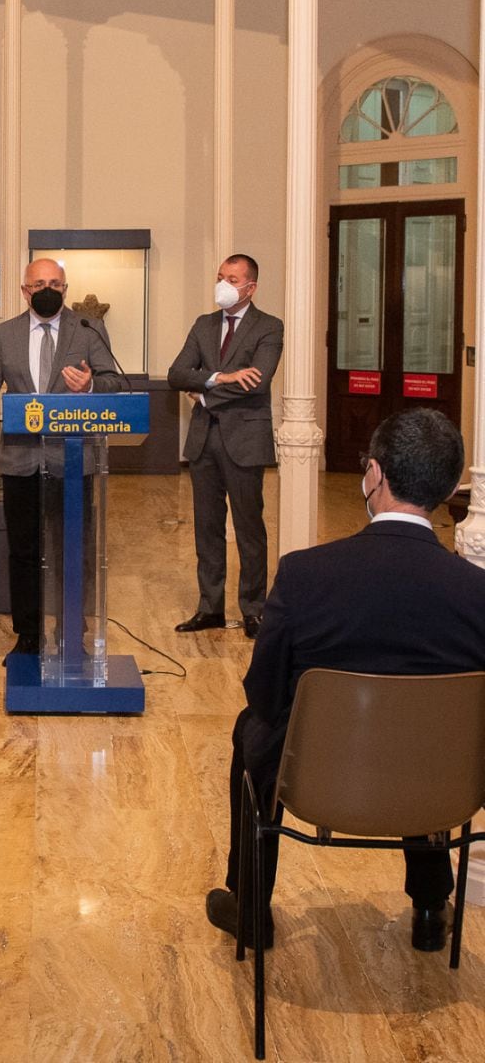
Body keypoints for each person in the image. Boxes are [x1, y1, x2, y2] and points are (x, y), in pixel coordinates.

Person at [206, 408, 485, 953]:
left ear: (374, 474)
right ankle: (430, 905)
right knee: (424, 727)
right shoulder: (476, 594)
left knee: (253, 730)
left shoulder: (307, 575)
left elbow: (263, 693)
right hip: (440, 786)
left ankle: (252, 907)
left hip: (320, 780)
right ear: (450, 486)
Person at [0, 257, 121, 660]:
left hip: (73, 459)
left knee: (73, 549)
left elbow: (117, 381)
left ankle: (72, 633)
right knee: (24, 552)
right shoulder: (5, 333)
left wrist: (90, 387)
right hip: (20, 460)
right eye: (38, 284)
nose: (47, 289)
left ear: (65, 289)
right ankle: (29, 636)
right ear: (24, 291)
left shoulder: (88, 329)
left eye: (55, 283)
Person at [167, 255, 283, 640]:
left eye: (231, 278)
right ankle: (210, 607)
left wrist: (203, 395)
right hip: (204, 442)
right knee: (207, 528)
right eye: (219, 277)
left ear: (250, 286)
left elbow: (257, 381)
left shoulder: (268, 327)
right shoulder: (203, 325)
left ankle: (253, 609)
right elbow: (177, 373)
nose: (223, 284)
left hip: (245, 441)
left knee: (249, 529)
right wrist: (221, 375)